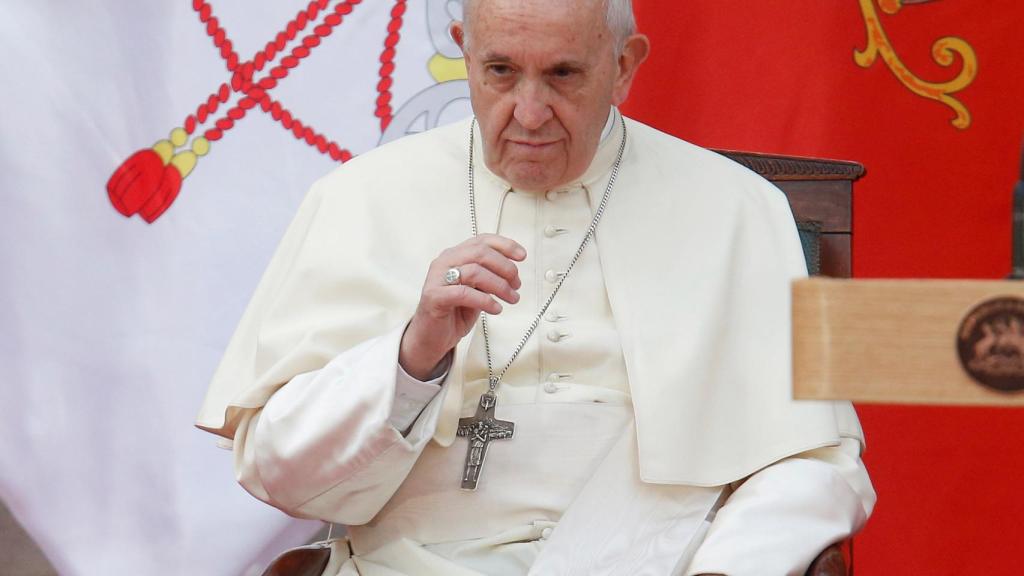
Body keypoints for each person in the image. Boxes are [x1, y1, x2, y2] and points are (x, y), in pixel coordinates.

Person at [198, 0, 876, 574]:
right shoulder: (358, 199)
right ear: (464, 53)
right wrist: (412, 355)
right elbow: (280, 473)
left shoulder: (736, 209)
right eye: (500, 72)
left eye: (562, 75)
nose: (527, 113)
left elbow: (812, 462)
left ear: (624, 66)